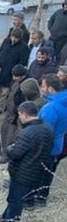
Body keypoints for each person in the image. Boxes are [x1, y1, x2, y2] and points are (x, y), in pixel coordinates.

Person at [0, 102, 54, 222]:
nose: (19, 117)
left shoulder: (27, 132)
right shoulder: (47, 127)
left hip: (23, 172)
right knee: (16, 198)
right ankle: (6, 216)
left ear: (25, 114)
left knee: (15, 199)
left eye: (20, 114)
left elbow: (15, 153)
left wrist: (9, 148)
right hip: (38, 169)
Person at [36, 73, 67, 206]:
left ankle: (37, 196)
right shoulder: (63, 101)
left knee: (41, 171)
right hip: (58, 143)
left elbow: (44, 132)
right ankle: (42, 195)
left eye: (43, 86)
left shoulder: (51, 108)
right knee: (49, 170)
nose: (41, 88)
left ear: (50, 88)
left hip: (47, 145)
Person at [0, 28, 30, 116]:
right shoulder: (6, 41)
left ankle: (0, 108)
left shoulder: (24, 47)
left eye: (16, 38)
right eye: (12, 36)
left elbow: (23, 62)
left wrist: (15, 72)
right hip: (0, 70)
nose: (14, 39)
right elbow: (0, 53)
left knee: (5, 92)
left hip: (10, 73)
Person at [0, 65, 29, 164]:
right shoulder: (15, 83)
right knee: (3, 131)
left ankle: (7, 155)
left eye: (16, 76)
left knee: (11, 136)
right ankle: (4, 150)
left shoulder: (26, 85)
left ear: (23, 76)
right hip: (9, 112)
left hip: (16, 115)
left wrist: (18, 114)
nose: (14, 78)